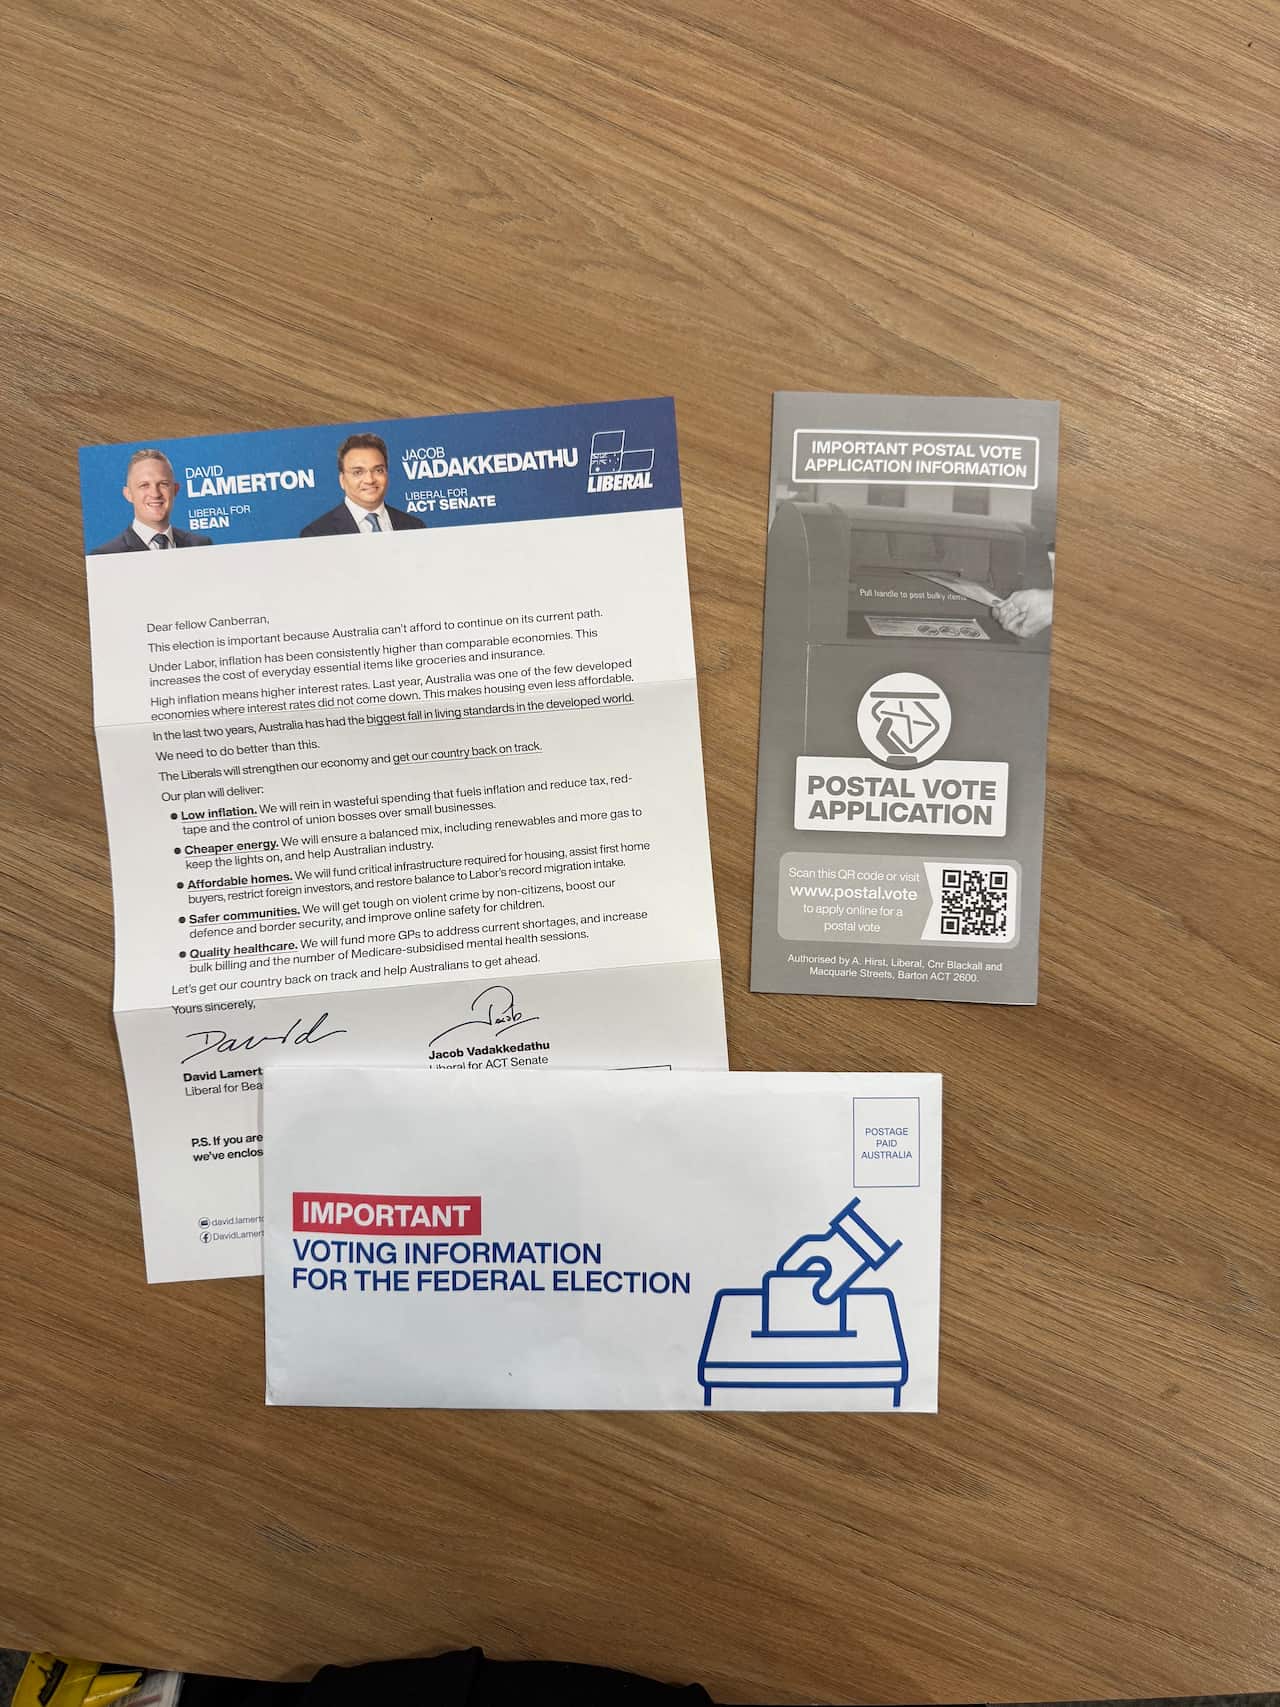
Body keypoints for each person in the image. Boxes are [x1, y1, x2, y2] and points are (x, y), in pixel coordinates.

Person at [299, 433, 425, 536]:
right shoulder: (316, 534)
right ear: (342, 480)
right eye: (358, 472)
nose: (370, 480)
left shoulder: (415, 526)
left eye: (378, 470)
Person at [89, 449, 212, 553]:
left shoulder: (201, 545)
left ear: (175, 490)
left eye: (163, 484)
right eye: (144, 485)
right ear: (128, 494)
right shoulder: (105, 556)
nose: (155, 493)